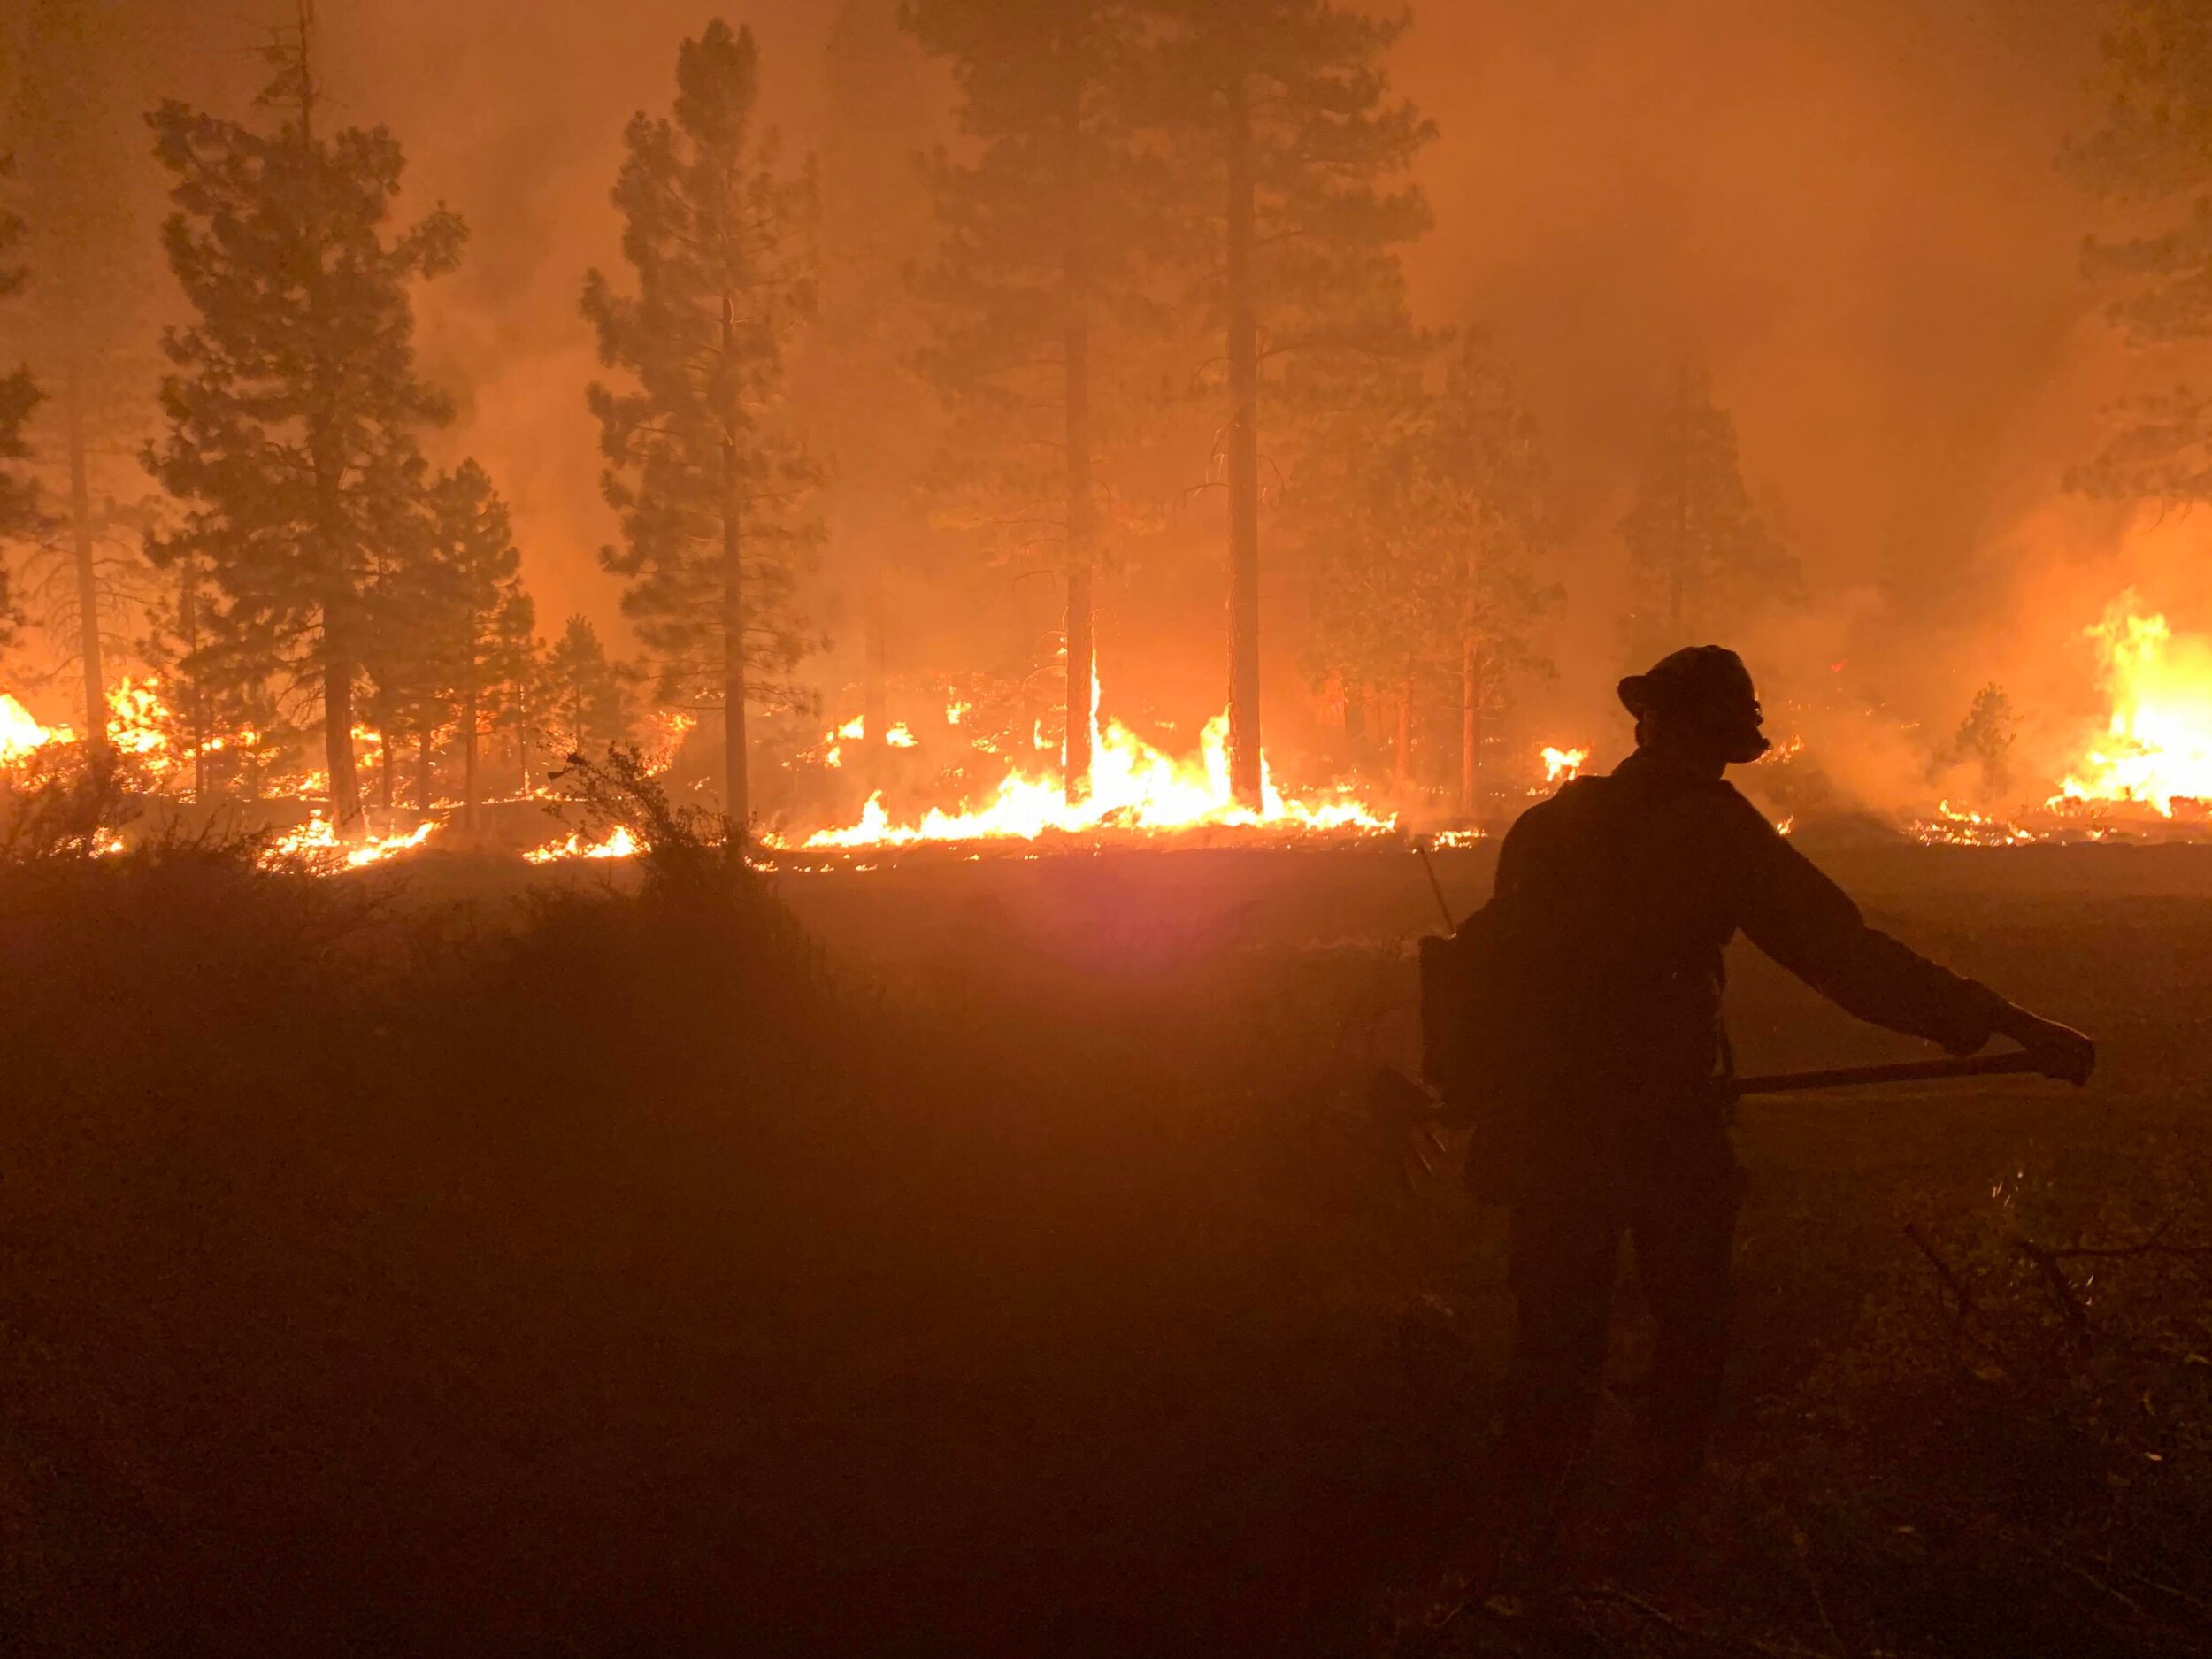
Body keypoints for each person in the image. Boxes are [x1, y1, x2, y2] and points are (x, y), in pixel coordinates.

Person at [1455, 645, 2093, 1542]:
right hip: (1658, 1129)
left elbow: (1497, 977)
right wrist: (2009, 1022)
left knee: (1553, 1339)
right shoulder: (1713, 830)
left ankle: (1522, 1543)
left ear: (1647, 724)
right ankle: (1655, 1530)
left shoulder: (1544, 825)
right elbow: (1846, 957)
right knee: (1689, 1329)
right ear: (1723, 737)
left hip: (1546, 1123)